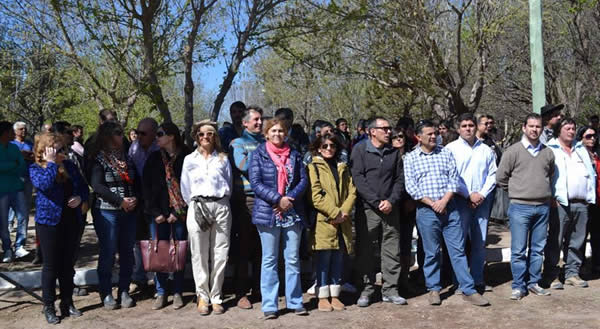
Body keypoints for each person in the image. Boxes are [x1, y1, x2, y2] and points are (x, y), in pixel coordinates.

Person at [404, 119, 489, 307]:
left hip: (450, 210)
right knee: (432, 252)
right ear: (419, 137)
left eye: (435, 133)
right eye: (429, 134)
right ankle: (433, 289)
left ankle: (468, 289)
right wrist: (433, 203)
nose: (434, 136)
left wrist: (444, 201)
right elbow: (412, 187)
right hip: (426, 212)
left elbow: (454, 180)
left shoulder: (446, 153)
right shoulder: (410, 158)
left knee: (457, 251)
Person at [248, 118, 309, 319]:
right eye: (273, 131)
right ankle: (270, 305)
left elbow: (303, 180)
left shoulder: (295, 154)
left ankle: (295, 301)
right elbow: (255, 183)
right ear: (266, 134)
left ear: (286, 133)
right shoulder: (258, 154)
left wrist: (288, 199)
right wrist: (277, 199)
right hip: (269, 212)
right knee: (269, 260)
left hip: (292, 212)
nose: (277, 134)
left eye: (281, 131)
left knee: (292, 259)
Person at [29, 132, 88, 324]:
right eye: (59, 149)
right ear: (47, 150)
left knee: (67, 265)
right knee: (51, 266)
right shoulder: (36, 168)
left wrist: (80, 198)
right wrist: (52, 163)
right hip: (48, 222)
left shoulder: (70, 166)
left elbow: (83, 187)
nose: (64, 152)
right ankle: (49, 306)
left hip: (71, 220)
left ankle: (67, 302)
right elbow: (44, 184)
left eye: (64, 148)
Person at [496, 113, 555, 300]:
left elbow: (550, 175)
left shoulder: (548, 153)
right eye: (531, 126)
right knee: (519, 250)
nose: (534, 130)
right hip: (520, 207)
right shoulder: (513, 151)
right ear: (524, 128)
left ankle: (534, 283)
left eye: (538, 126)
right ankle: (518, 286)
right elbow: (501, 178)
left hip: (542, 207)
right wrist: (518, 191)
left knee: (537, 249)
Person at [350, 117, 407, 307]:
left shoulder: (393, 152)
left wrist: (391, 201)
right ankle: (366, 290)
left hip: (391, 209)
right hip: (368, 210)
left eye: (389, 128)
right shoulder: (360, 150)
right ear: (372, 131)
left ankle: (390, 289)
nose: (389, 132)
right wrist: (376, 201)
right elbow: (358, 178)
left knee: (391, 250)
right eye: (385, 128)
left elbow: (400, 180)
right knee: (365, 251)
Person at [181, 120, 232, 316]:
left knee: (220, 252)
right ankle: (202, 296)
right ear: (196, 137)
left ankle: (217, 296)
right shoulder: (189, 160)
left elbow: (228, 184)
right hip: (198, 206)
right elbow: (185, 187)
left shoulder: (223, 159)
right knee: (199, 253)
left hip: (220, 205)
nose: (205, 137)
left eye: (209, 134)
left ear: (215, 136)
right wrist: (195, 204)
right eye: (202, 134)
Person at [88, 121, 138, 310]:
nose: (121, 136)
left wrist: (135, 199)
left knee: (127, 252)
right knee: (108, 252)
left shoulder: (127, 157)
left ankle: (124, 290)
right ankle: (106, 292)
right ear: (108, 136)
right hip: (107, 212)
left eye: (121, 132)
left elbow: (136, 182)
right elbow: (98, 186)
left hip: (129, 212)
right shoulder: (97, 158)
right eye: (118, 133)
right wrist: (120, 201)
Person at [445, 114, 497, 292]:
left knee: (479, 242)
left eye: (471, 125)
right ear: (458, 129)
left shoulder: (486, 150)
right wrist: (468, 195)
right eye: (464, 125)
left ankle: (477, 279)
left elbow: (493, 175)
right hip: (459, 201)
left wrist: (480, 194)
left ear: (476, 127)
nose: (468, 128)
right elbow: (451, 176)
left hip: (482, 202)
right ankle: (459, 281)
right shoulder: (450, 149)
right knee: (458, 243)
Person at [542, 118, 595, 289]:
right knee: (555, 241)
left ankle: (572, 272)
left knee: (577, 241)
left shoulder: (581, 150)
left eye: (573, 128)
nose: (571, 132)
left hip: (581, 203)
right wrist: (550, 197)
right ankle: (552, 274)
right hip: (560, 203)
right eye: (567, 128)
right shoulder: (550, 149)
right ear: (559, 130)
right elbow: (545, 175)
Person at [143, 122, 191, 310]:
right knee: (160, 252)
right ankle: (161, 291)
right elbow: (146, 188)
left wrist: (177, 211)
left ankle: (178, 291)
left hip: (179, 212)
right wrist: (156, 213)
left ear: (171, 136)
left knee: (178, 251)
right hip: (158, 214)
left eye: (160, 134)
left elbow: (190, 186)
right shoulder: (153, 158)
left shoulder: (186, 156)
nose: (157, 137)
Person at [308, 134, 356, 312]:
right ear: (319, 148)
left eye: (332, 146)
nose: (329, 149)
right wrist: (335, 212)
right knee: (323, 260)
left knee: (338, 258)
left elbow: (352, 191)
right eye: (325, 146)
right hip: (325, 221)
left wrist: (344, 212)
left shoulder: (343, 167)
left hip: (342, 220)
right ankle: (322, 297)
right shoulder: (313, 167)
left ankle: (335, 295)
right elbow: (315, 195)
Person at [229, 106, 264, 310]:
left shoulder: (267, 142)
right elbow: (245, 166)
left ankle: (260, 289)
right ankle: (241, 293)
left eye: (261, 120)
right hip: (246, 201)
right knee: (243, 248)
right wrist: (265, 156)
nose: (259, 123)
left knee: (263, 248)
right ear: (245, 123)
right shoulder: (237, 143)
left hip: (266, 201)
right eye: (256, 120)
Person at [128, 117, 159, 293]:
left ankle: (158, 279)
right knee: (138, 240)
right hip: (139, 198)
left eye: (143, 133)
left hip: (156, 200)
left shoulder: (159, 149)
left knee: (157, 240)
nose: (138, 136)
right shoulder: (134, 148)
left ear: (154, 134)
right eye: (137, 132)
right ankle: (139, 277)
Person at [0, 121, 26, 262]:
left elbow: (21, 166)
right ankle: (7, 249)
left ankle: (20, 246)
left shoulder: (14, 148)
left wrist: (8, 167)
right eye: (11, 131)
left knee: (23, 217)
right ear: (4, 133)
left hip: (17, 187)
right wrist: (12, 165)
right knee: (3, 221)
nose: (13, 134)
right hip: (2, 190)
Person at [577, 126, 600, 273]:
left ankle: (597, 263)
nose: (592, 138)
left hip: (598, 201)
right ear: (581, 138)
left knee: (597, 234)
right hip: (584, 201)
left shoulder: (598, 154)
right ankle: (579, 265)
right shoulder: (577, 155)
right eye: (588, 136)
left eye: (594, 136)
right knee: (580, 235)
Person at [9, 121, 33, 259]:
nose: (23, 131)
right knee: (9, 211)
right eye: (21, 129)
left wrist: (26, 156)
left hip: (27, 179)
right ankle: (7, 245)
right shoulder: (11, 144)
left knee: (24, 213)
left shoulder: (29, 143)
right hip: (13, 181)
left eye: (25, 129)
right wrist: (22, 156)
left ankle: (20, 245)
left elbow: (34, 156)